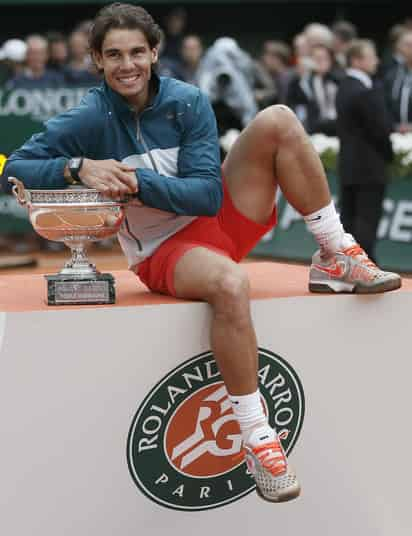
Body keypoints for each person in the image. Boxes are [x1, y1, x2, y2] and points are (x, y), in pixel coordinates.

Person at [1, 3, 401, 503]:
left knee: (278, 119)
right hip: (167, 251)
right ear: (97, 62)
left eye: (136, 53)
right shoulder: (88, 116)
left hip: (219, 221)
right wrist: (78, 166)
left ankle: (334, 252)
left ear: (154, 53)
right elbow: (14, 166)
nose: (127, 65)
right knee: (234, 285)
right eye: (114, 55)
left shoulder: (187, 101)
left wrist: (134, 183)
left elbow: (207, 196)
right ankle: (258, 439)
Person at [336, 39, 394, 262]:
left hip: (349, 167)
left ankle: (349, 262)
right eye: (371, 56)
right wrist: (389, 156)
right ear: (357, 60)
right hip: (370, 168)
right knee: (366, 219)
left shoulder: (344, 88)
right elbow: (380, 130)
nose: (376, 61)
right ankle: (366, 264)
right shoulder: (364, 91)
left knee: (350, 218)